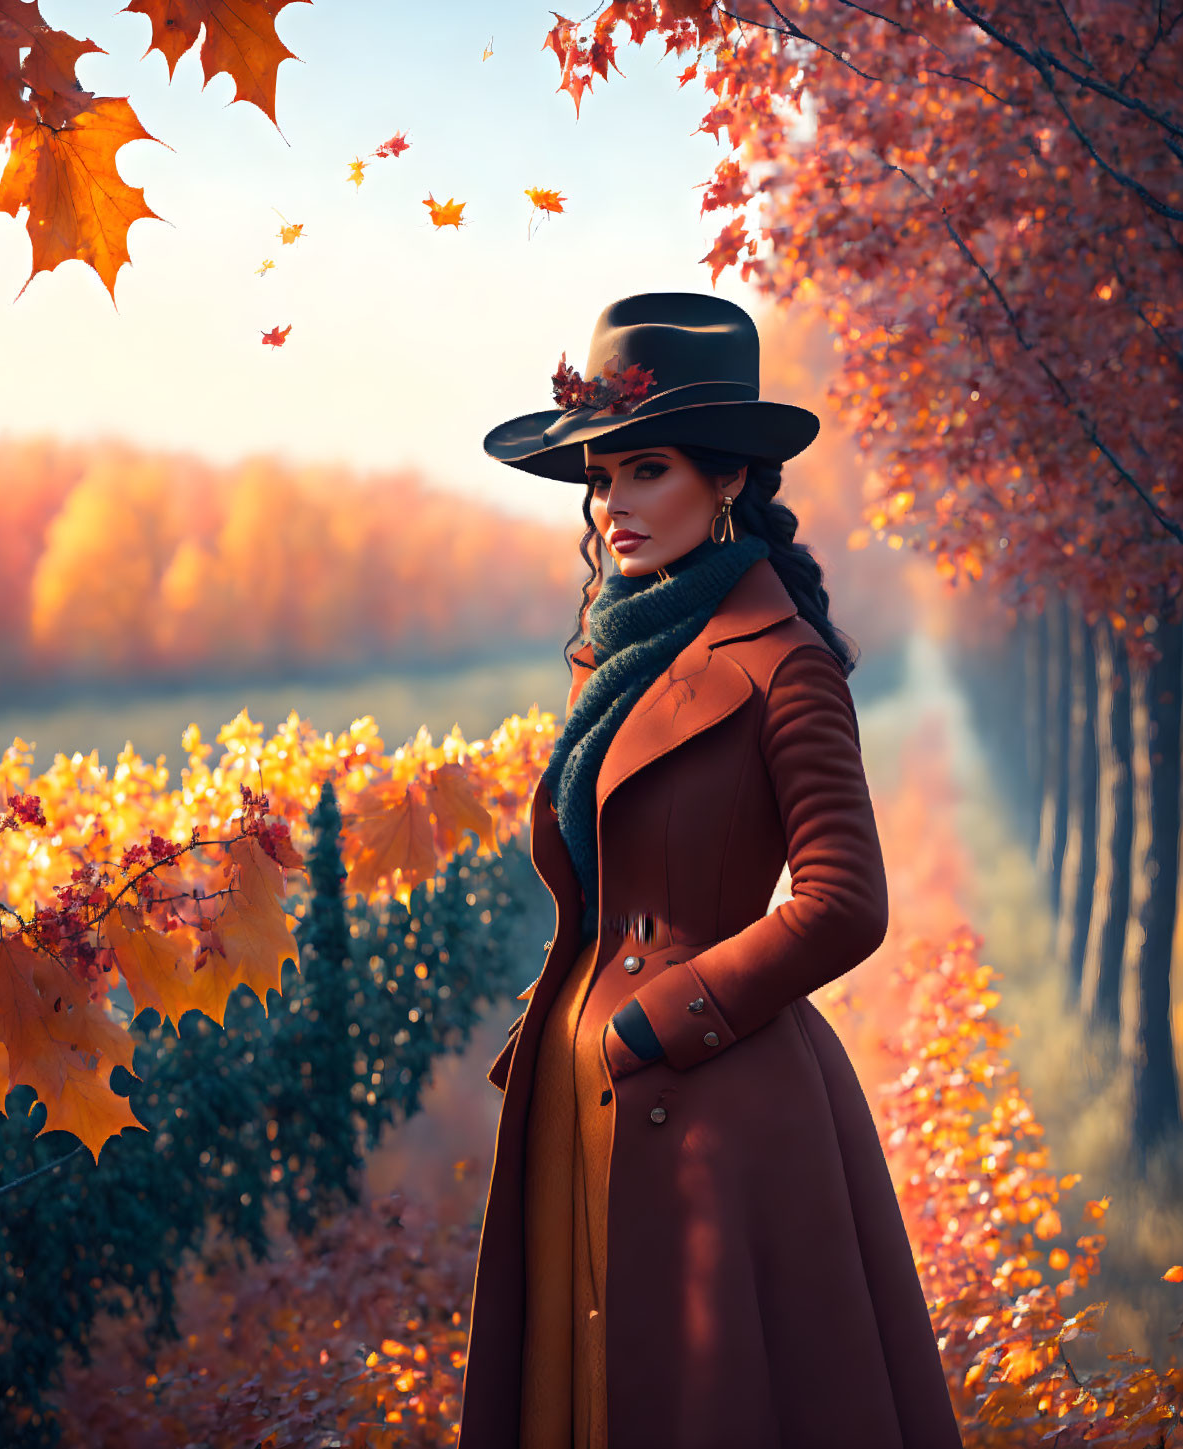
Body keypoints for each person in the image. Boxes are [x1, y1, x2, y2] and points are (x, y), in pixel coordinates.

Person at [456, 293, 964, 1449]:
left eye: (646, 471)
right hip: (571, 1109)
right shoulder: (619, 647)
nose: (614, 506)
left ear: (727, 479)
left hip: (713, 1106)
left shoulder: (783, 664)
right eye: (600, 478)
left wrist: (657, 1023)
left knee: (702, 1400)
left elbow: (846, 903)